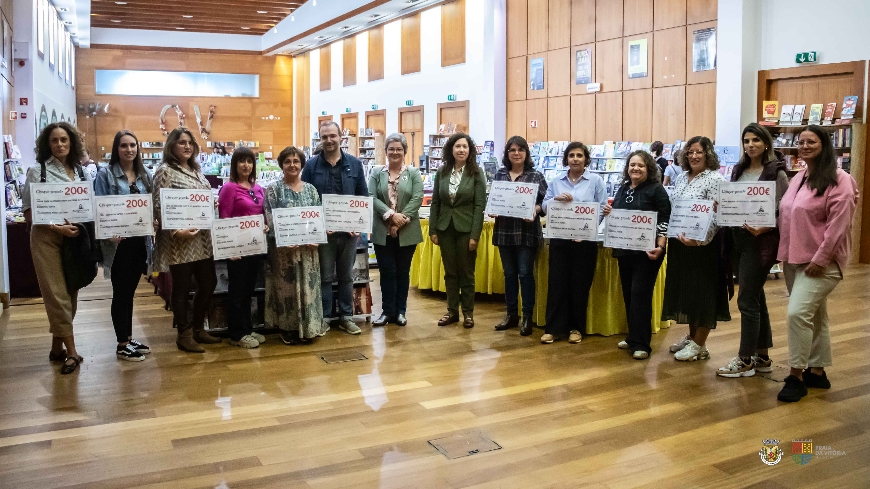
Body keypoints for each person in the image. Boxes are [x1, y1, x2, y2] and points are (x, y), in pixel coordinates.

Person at [776, 125, 858, 403]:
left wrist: (821, 259)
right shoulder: (799, 177)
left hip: (822, 263)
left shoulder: (839, 179)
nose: (805, 146)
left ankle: (796, 376)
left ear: (825, 145)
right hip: (793, 258)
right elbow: (786, 215)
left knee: (797, 314)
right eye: (801, 142)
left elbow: (839, 225)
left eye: (811, 141)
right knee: (815, 315)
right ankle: (818, 372)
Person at [717, 124, 789, 378]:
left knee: (746, 299)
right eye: (746, 140)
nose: (750, 145)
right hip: (737, 238)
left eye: (755, 140)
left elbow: (785, 210)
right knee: (756, 296)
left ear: (766, 143)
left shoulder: (776, 174)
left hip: (760, 242)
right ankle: (762, 355)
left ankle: (744, 358)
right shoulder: (739, 170)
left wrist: (766, 227)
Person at [21, 122, 90, 374]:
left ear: (72, 142)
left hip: (73, 239)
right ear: (46, 144)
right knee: (57, 294)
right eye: (54, 140)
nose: (60, 145)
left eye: (64, 140)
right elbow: (28, 212)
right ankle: (72, 352)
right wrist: (56, 228)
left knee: (71, 292)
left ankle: (56, 347)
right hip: (46, 238)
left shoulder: (83, 172)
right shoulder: (36, 171)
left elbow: (88, 206)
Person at [662, 136, 731, 361]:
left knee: (704, 294)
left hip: (704, 248)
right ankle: (693, 340)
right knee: (688, 293)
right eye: (690, 151)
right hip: (681, 245)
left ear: (708, 154)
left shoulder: (715, 179)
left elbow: (718, 215)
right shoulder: (681, 178)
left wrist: (700, 240)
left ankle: (700, 342)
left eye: (699, 151)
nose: (694, 155)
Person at [152, 127, 218, 353]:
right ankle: (184, 333)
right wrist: (174, 231)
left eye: (190, 142)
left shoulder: (197, 170)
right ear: (171, 146)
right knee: (181, 288)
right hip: (180, 241)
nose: (187, 146)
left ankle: (199, 328)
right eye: (181, 142)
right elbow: (158, 205)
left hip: (202, 240)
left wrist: (211, 204)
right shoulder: (165, 171)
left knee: (209, 283)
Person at [301, 121, 368, 335]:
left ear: (341, 137)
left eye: (332, 136)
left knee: (347, 276)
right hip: (323, 233)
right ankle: (326, 317)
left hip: (348, 234)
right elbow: (306, 199)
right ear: (320, 139)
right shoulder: (311, 166)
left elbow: (362, 197)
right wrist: (317, 225)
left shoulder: (355, 165)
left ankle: (346, 317)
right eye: (324, 137)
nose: (329, 140)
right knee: (325, 276)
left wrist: (358, 225)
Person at [604, 150, 670, 360]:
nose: (636, 168)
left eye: (640, 165)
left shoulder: (656, 190)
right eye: (632, 165)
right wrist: (609, 214)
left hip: (648, 253)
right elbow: (621, 215)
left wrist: (660, 245)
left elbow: (665, 218)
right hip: (625, 251)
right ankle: (633, 336)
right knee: (629, 294)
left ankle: (642, 344)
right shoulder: (623, 188)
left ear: (648, 168)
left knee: (640, 296)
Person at [94, 130, 154, 362]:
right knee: (121, 292)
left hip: (140, 242)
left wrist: (153, 220)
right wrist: (108, 232)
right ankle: (122, 344)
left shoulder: (145, 174)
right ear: (116, 149)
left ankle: (127, 337)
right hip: (118, 246)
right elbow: (99, 208)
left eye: (133, 145)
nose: (129, 149)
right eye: (124, 145)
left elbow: (149, 206)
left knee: (129, 292)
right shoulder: (105, 175)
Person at [540, 141, 607, 344]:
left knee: (579, 286)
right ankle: (552, 329)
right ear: (566, 159)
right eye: (571, 155)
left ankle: (576, 329)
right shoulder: (556, 181)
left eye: (579, 155)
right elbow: (544, 206)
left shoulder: (595, 181)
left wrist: (587, 233)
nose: (575, 159)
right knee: (556, 284)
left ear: (586, 159)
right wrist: (555, 200)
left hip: (584, 242)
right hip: (560, 239)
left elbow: (602, 209)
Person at [264, 146, 325, 344]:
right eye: (288, 161)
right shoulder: (273, 189)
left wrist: (318, 236)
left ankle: (310, 327)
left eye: (296, 161)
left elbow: (318, 218)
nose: (292, 165)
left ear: (302, 165)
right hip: (284, 252)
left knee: (309, 287)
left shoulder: (311, 190)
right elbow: (269, 217)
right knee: (286, 290)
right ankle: (288, 328)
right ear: (281, 165)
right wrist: (282, 239)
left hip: (308, 250)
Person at [491, 136, 547, 336]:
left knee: (525, 274)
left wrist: (536, 209)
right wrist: (492, 208)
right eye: (512, 150)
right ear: (507, 154)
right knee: (509, 275)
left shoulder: (536, 176)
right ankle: (511, 315)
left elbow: (546, 205)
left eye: (520, 150)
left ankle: (527, 317)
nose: (516, 153)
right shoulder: (500, 174)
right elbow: (494, 199)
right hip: (504, 231)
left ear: (526, 153)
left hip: (526, 233)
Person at [429, 132, 486, 328]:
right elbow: (435, 202)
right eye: (457, 146)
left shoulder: (476, 173)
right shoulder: (442, 172)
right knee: (450, 272)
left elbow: (479, 206)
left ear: (470, 151)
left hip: (466, 229)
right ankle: (452, 311)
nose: (461, 150)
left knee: (466, 273)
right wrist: (433, 230)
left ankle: (468, 313)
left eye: (465, 147)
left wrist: (475, 234)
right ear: (451, 149)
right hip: (445, 228)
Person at [369, 133, 423, 327]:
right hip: (382, 232)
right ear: (385, 151)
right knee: (387, 271)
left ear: (405, 152)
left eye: (399, 149)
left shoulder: (414, 173)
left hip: (407, 231)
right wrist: (391, 215)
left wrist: (399, 221)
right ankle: (386, 311)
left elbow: (417, 198)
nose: (395, 152)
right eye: (391, 149)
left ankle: (400, 312)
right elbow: (371, 197)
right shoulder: (376, 173)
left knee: (402, 272)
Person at [218, 147, 267, 349]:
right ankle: (237, 333)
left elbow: (262, 214)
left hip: (255, 247)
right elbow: (224, 219)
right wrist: (229, 250)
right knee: (237, 292)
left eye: (249, 161)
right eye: (241, 161)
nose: (246, 165)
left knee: (249, 290)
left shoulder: (258, 188)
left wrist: (265, 225)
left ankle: (247, 328)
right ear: (235, 165)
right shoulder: (229, 188)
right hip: (237, 249)